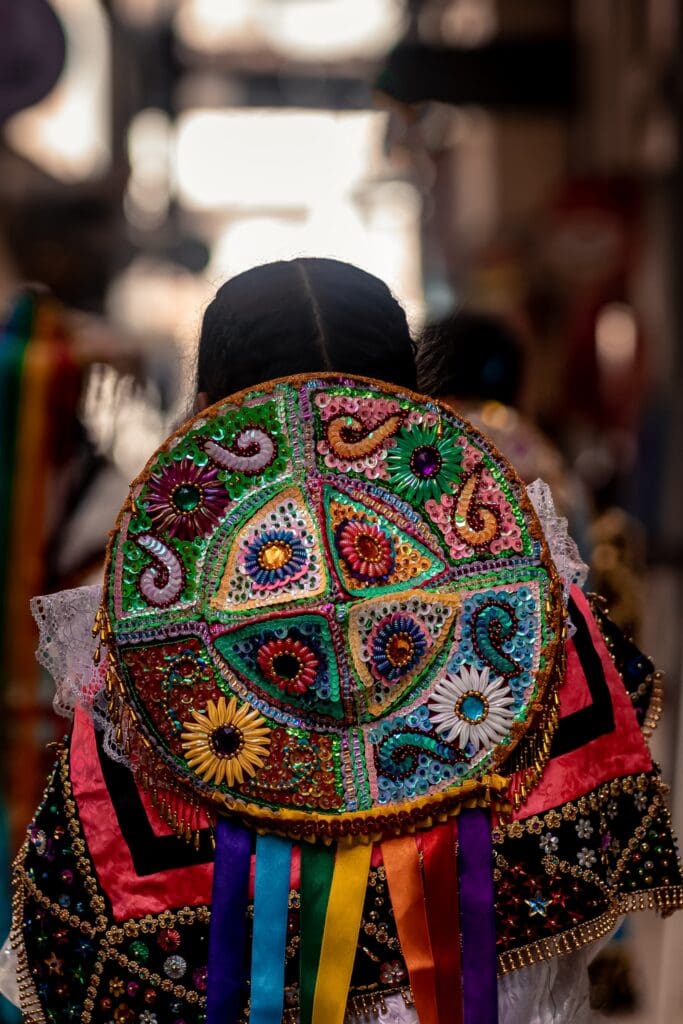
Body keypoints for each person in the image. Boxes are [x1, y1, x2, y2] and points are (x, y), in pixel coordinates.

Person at [5, 260, 680, 1024]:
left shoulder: (141, 652)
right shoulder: (534, 614)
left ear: (205, 412)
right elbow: (568, 928)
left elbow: (77, 937)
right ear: (416, 403)